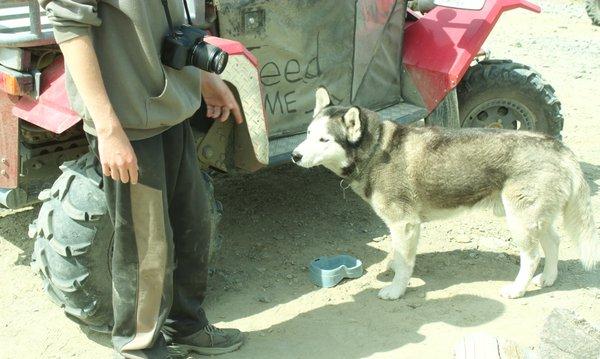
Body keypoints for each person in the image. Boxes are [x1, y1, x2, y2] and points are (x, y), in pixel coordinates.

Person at [39, 1, 245, 358]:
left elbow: (177, 15)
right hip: (128, 119)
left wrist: (207, 77)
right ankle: (141, 345)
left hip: (171, 105)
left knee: (192, 225)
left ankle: (186, 325)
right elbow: (70, 27)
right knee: (146, 243)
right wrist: (108, 130)